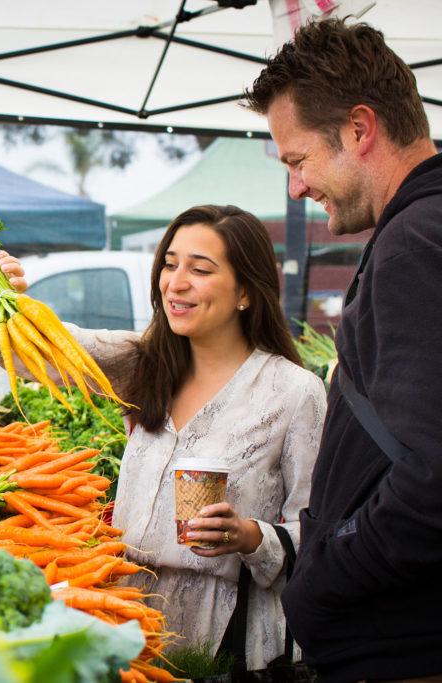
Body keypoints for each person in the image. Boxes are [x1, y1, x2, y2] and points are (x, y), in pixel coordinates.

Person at [0, 205, 326, 669]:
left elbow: (318, 535)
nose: (175, 283)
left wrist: (250, 536)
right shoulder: (143, 364)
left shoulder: (294, 393)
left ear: (246, 292)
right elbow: (49, 348)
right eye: (170, 264)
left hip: (230, 641)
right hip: (126, 622)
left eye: (200, 269)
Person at [243, 18, 442, 682]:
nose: (297, 187)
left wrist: (327, 576)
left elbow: (431, 478)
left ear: (360, 129)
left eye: (298, 160)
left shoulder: (416, 242)